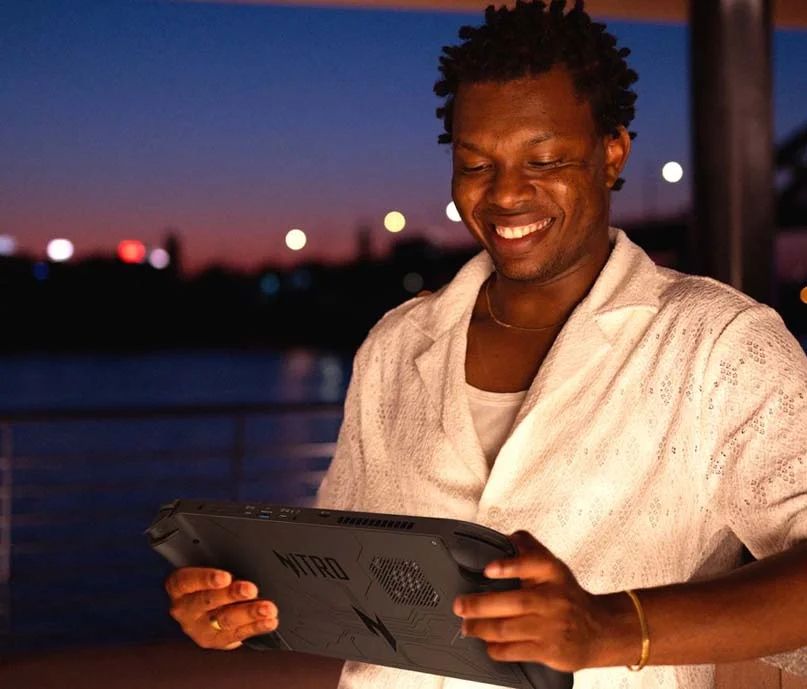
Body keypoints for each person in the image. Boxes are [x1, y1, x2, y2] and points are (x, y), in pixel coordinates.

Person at [164, 2, 807, 687]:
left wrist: (607, 627)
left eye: (545, 158)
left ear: (611, 152)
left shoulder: (718, 343)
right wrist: (238, 604)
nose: (505, 194)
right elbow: (336, 571)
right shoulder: (395, 343)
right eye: (475, 164)